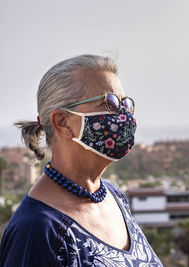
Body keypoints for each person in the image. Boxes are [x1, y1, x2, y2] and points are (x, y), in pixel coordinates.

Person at [0, 55, 163, 266]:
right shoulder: (36, 229)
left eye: (125, 104)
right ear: (62, 122)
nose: (124, 116)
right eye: (110, 103)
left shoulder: (114, 197)